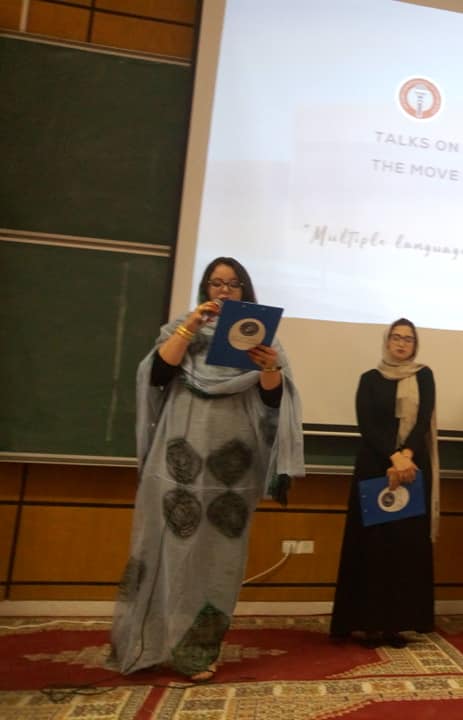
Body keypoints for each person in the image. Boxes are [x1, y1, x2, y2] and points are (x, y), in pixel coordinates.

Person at [109, 257, 304, 680]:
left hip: (232, 472)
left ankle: (197, 651)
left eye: (233, 284)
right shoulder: (182, 331)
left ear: (245, 291)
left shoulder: (266, 343)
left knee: (218, 560)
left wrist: (269, 366)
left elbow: (274, 402)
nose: (224, 290)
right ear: (205, 289)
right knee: (163, 549)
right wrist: (190, 327)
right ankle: (145, 643)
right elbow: (157, 374)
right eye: (216, 283)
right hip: (176, 464)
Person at [330, 319, 438, 648]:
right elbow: (367, 424)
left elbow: (423, 420)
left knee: (403, 547)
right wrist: (393, 456)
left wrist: (406, 455)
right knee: (373, 546)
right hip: (375, 468)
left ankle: (395, 624)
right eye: (396, 337)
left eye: (408, 339)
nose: (402, 343)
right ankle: (367, 623)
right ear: (387, 341)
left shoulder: (424, 376)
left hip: (412, 469)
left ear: (415, 345)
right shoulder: (369, 379)